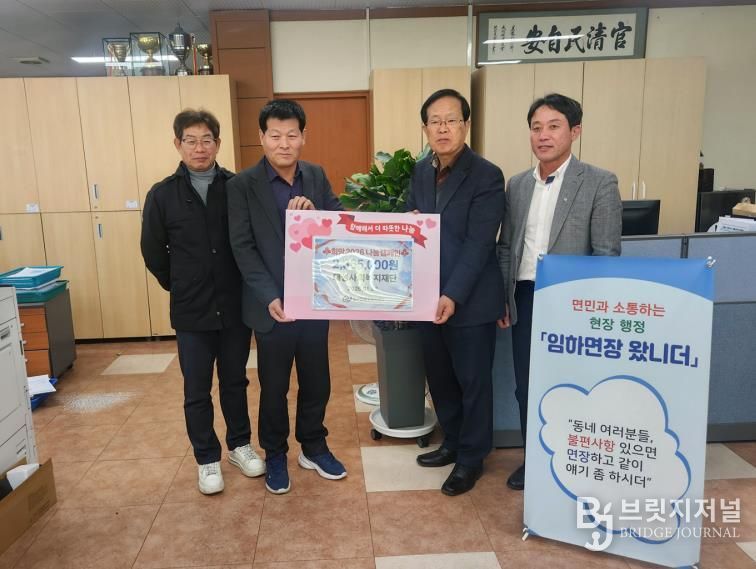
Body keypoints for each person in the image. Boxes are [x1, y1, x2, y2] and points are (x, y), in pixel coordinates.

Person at [497, 93, 622, 491]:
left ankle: (573, 462)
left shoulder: (600, 182)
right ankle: (534, 460)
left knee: (572, 385)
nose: (543, 135)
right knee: (526, 385)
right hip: (526, 297)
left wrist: (592, 310)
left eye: (554, 127)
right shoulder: (518, 185)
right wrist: (504, 297)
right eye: (536, 128)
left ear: (575, 131)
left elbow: (606, 254)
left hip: (573, 303)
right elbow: (507, 247)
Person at [141, 109, 264, 496]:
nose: (199, 148)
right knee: (196, 389)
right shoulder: (162, 195)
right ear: (178, 144)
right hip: (191, 310)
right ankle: (206, 458)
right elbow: (153, 251)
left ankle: (239, 445)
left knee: (235, 381)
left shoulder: (237, 187)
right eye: (191, 141)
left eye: (206, 140)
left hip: (234, 305)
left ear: (218, 143)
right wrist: (180, 284)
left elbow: (252, 239)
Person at [227, 99, 347, 495]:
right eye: (275, 135)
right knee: (274, 387)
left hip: (313, 300)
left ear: (303, 137)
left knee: (317, 381)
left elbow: (338, 221)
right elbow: (243, 247)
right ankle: (276, 453)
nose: (284, 143)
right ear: (261, 137)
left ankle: (313, 446)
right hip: (272, 308)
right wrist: (268, 296)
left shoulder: (315, 175)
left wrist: (315, 216)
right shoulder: (241, 186)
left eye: (291, 135)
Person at [408, 89, 506, 496]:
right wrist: (409, 221)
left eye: (451, 120)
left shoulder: (487, 175)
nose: (443, 128)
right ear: (426, 128)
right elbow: (416, 225)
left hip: (469, 299)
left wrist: (453, 294)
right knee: (441, 378)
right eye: (435, 121)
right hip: (427, 298)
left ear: (466, 125)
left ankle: (471, 459)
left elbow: (479, 244)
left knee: (473, 381)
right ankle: (452, 440)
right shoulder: (420, 172)